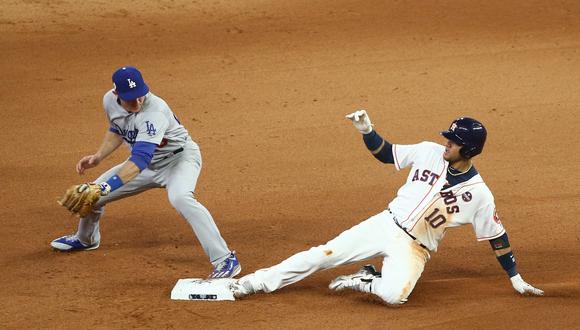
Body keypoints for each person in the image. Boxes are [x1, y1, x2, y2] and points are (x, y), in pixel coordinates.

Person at [227, 110, 542, 304]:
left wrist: (515, 278)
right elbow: (386, 153)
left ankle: (365, 279)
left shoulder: (479, 195)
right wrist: (367, 131)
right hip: (385, 224)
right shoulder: (427, 151)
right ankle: (252, 284)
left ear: (469, 149)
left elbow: (497, 237)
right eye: (447, 138)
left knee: (395, 296)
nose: (446, 142)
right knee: (323, 255)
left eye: (453, 141)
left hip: (415, 249)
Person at [51, 66, 241, 279]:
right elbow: (117, 129)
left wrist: (104, 187)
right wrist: (98, 157)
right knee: (92, 197)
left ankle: (225, 259)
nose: (138, 102)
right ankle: (86, 239)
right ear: (116, 94)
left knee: (181, 198)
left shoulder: (154, 112)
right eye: (130, 99)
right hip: (145, 166)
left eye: (140, 96)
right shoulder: (108, 101)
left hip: (178, 161)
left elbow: (140, 159)